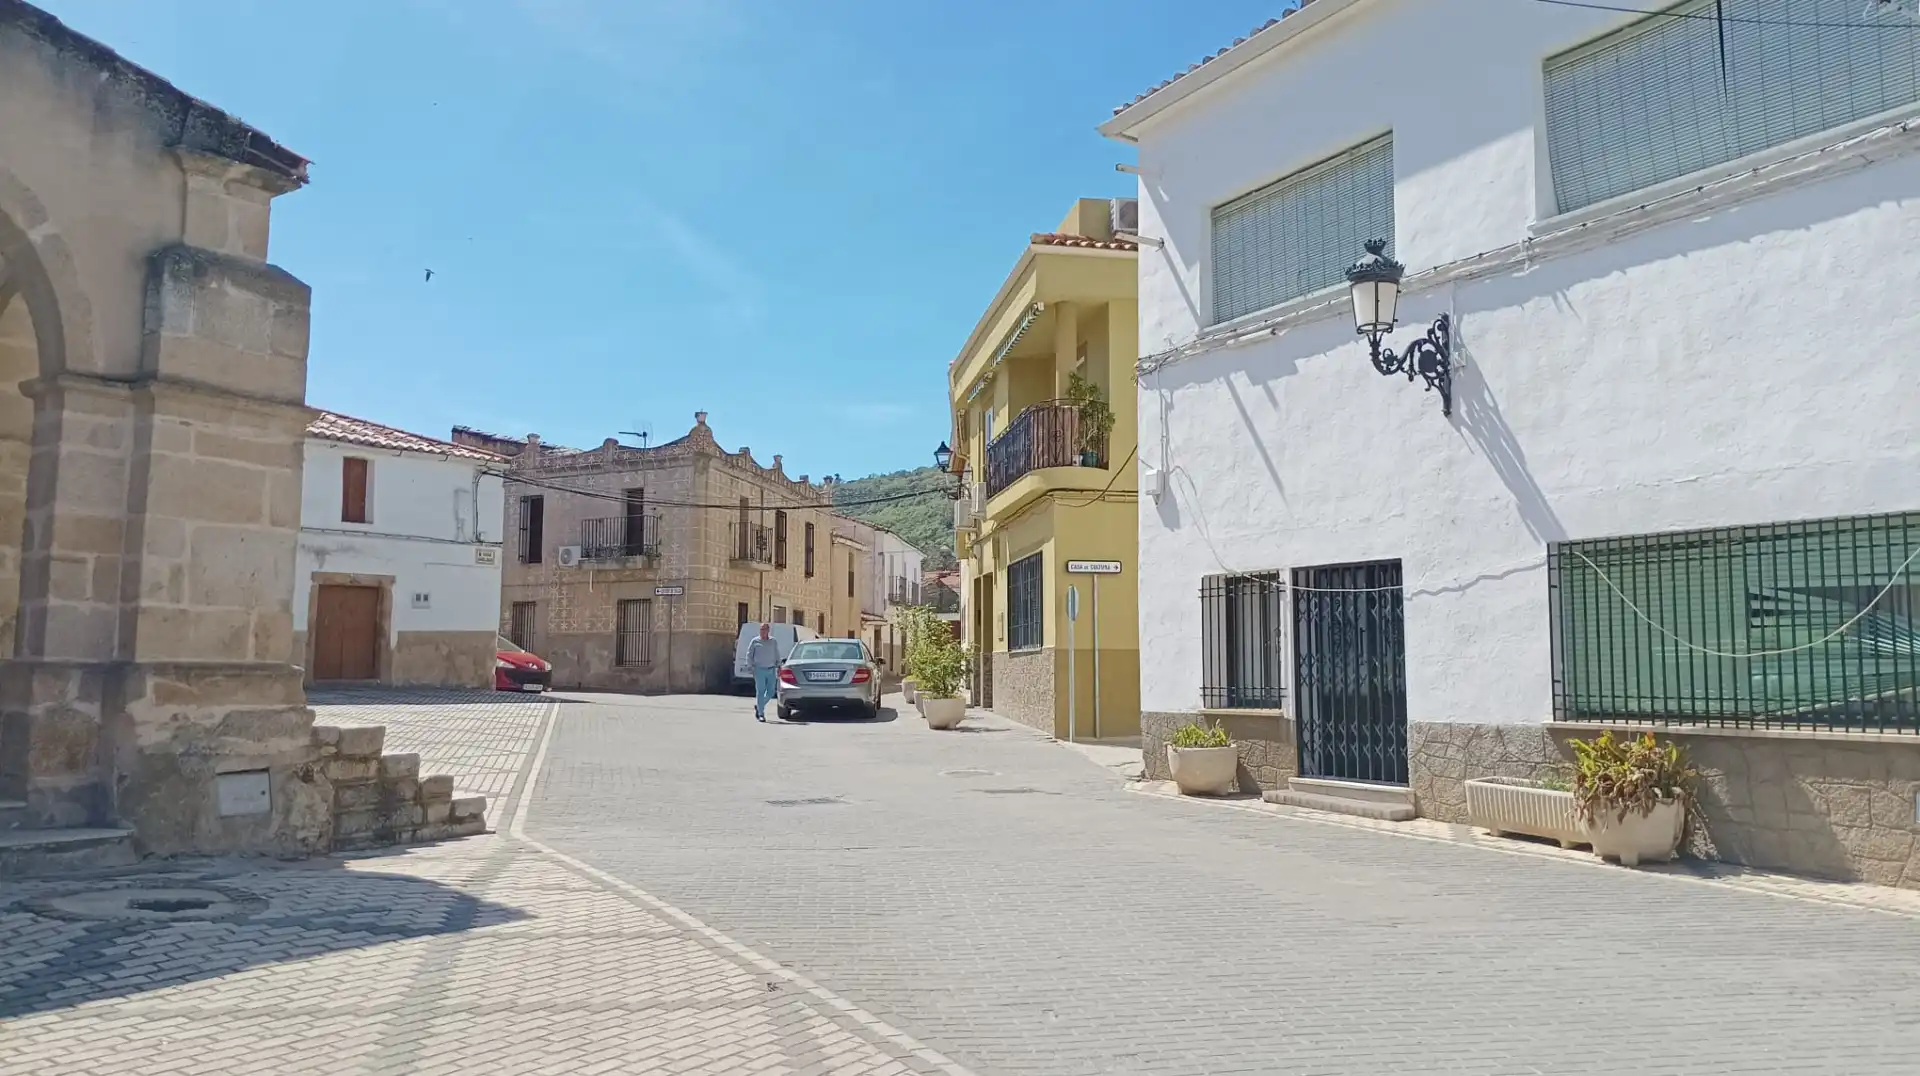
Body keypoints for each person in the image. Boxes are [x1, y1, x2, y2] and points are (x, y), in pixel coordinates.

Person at [747, 622, 781, 722]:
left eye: (764, 629)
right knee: (760, 691)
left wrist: (779, 665)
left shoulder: (773, 641)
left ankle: (759, 705)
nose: (762, 632)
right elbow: (749, 654)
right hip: (759, 670)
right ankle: (761, 714)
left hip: (771, 669)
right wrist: (750, 666)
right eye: (761, 630)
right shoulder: (755, 641)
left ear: (768, 631)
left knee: (770, 692)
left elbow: (776, 653)